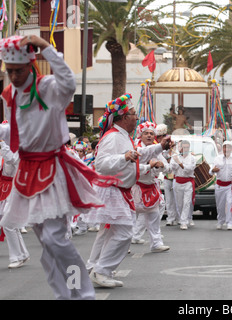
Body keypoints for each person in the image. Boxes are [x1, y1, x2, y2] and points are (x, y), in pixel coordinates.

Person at [0, 35, 121, 299]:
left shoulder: (49, 87)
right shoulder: (10, 94)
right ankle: (64, 294)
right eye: (9, 72)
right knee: (47, 244)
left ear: (30, 65)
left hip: (52, 169)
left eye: (18, 71)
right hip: (27, 171)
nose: (14, 76)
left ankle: (81, 294)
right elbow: (16, 130)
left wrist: (46, 47)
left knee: (56, 238)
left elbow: (69, 81)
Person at [85, 93, 172, 288]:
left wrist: (160, 147)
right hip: (112, 190)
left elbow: (138, 154)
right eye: (134, 114)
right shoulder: (114, 137)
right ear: (124, 118)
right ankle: (100, 271)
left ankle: (98, 269)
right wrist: (123, 157)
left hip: (118, 191)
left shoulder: (122, 136)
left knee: (112, 233)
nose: (136, 118)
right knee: (123, 233)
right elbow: (101, 164)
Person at [131, 121, 170, 252]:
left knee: (154, 218)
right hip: (135, 188)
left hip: (151, 188)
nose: (149, 136)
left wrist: (162, 165)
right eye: (146, 133)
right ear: (140, 136)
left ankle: (156, 244)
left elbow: (168, 168)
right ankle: (123, 246)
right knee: (130, 219)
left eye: (151, 134)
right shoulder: (136, 149)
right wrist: (150, 164)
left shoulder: (157, 150)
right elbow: (136, 164)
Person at [0, 139, 30, 269]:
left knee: (8, 224)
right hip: (11, 190)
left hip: (17, 190)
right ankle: (21, 254)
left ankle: (18, 256)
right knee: (10, 225)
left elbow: (12, 159)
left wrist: (2, 143)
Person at [210, 141, 232, 230]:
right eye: (225, 147)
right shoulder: (217, 158)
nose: (227, 149)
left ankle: (230, 222)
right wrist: (213, 170)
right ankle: (220, 221)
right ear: (223, 148)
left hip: (230, 185)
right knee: (220, 205)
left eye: (229, 147)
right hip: (220, 185)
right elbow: (210, 171)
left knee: (230, 203)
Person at [170, 140, 196, 230]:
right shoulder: (175, 157)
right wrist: (176, 161)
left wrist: (180, 163)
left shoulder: (192, 158)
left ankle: (184, 221)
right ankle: (182, 218)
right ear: (180, 148)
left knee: (186, 202)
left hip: (188, 182)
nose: (185, 149)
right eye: (183, 147)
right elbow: (171, 168)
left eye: (187, 148)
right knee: (179, 203)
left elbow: (189, 169)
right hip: (178, 182)